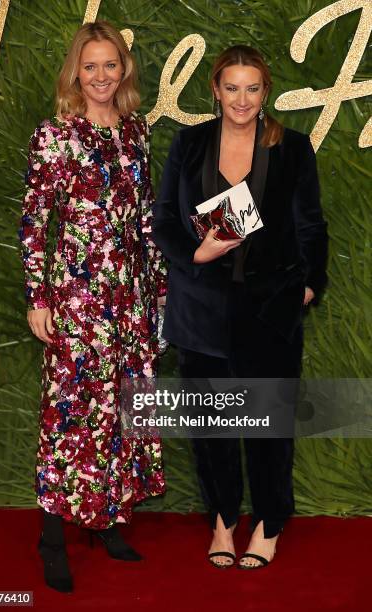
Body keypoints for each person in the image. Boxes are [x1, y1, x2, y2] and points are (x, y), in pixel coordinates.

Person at [152, 44, 328, 570]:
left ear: (265, 91)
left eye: (252, 88)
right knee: (213, 432)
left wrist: (309, 286)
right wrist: (196, 251)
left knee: (268, 429)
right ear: (215, 90)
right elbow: (163, 223)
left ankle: (270, 523)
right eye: (232, 88)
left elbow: (311, 226)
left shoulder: (292, 148)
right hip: (200, 311)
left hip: (270, 311)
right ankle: (223, 522)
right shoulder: (188, 144)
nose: (242, 99)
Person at [18, 20, 166, 592]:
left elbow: (146, 218)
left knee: (122, 413)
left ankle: (107, 520)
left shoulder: (136, 131)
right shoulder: (55, 135)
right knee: (69, 419)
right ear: (75, 72)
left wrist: (158, 294)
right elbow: (35, 222)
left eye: (111, 65)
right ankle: (52, 538)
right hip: (78, 299)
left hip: (127, 300)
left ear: (122, 69)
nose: (101, 75)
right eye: (90, 66)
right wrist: (38, 297)